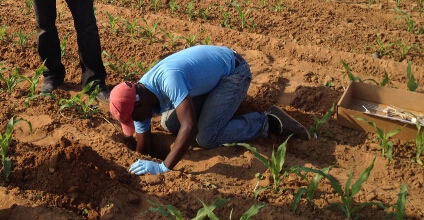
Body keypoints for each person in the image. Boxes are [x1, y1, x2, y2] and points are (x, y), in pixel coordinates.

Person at [109, 45, 310, 175]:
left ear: (138, 104)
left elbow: (190, 127)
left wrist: (163, 167)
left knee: (206, 137)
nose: (135, 123)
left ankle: (267, 121)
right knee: (168, 123)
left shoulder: (168, 79)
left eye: (132, 118)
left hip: (233, 73)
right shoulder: (140, 95)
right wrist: (139, 162)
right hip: (209, 82)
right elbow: (143, 145)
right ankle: (217, 109)